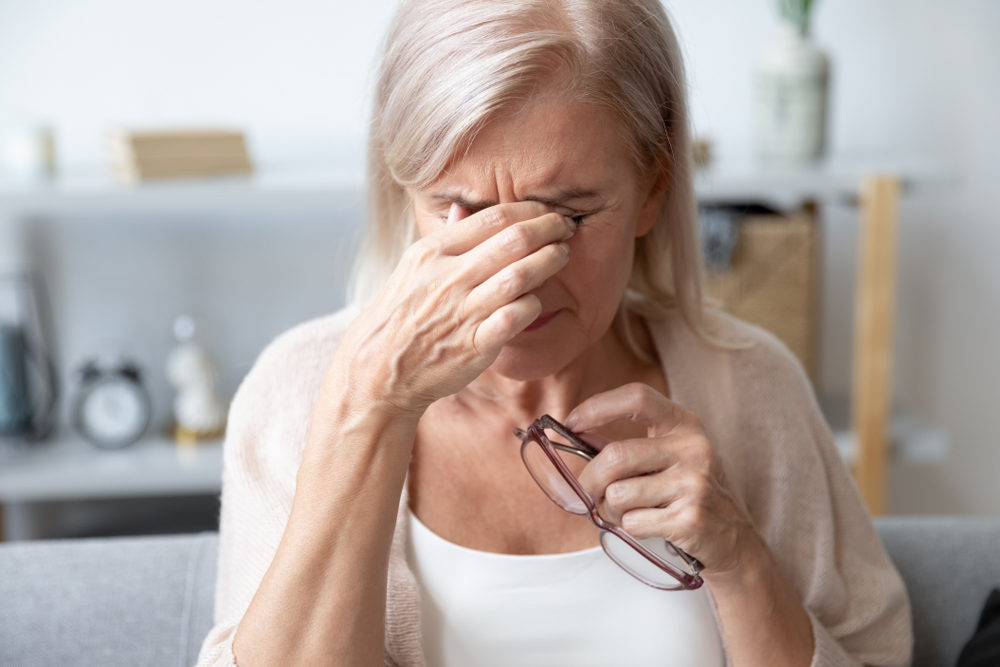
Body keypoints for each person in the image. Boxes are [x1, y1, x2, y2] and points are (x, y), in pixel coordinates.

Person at [197, 1, 912, 665]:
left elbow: (875, 652)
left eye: (566, 216)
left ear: (653, 185)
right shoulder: (300, 388)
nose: (517, 279)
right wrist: (371, 407)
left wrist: (742, 559)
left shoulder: (751, 384)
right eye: (459, 209)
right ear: (403, 186)